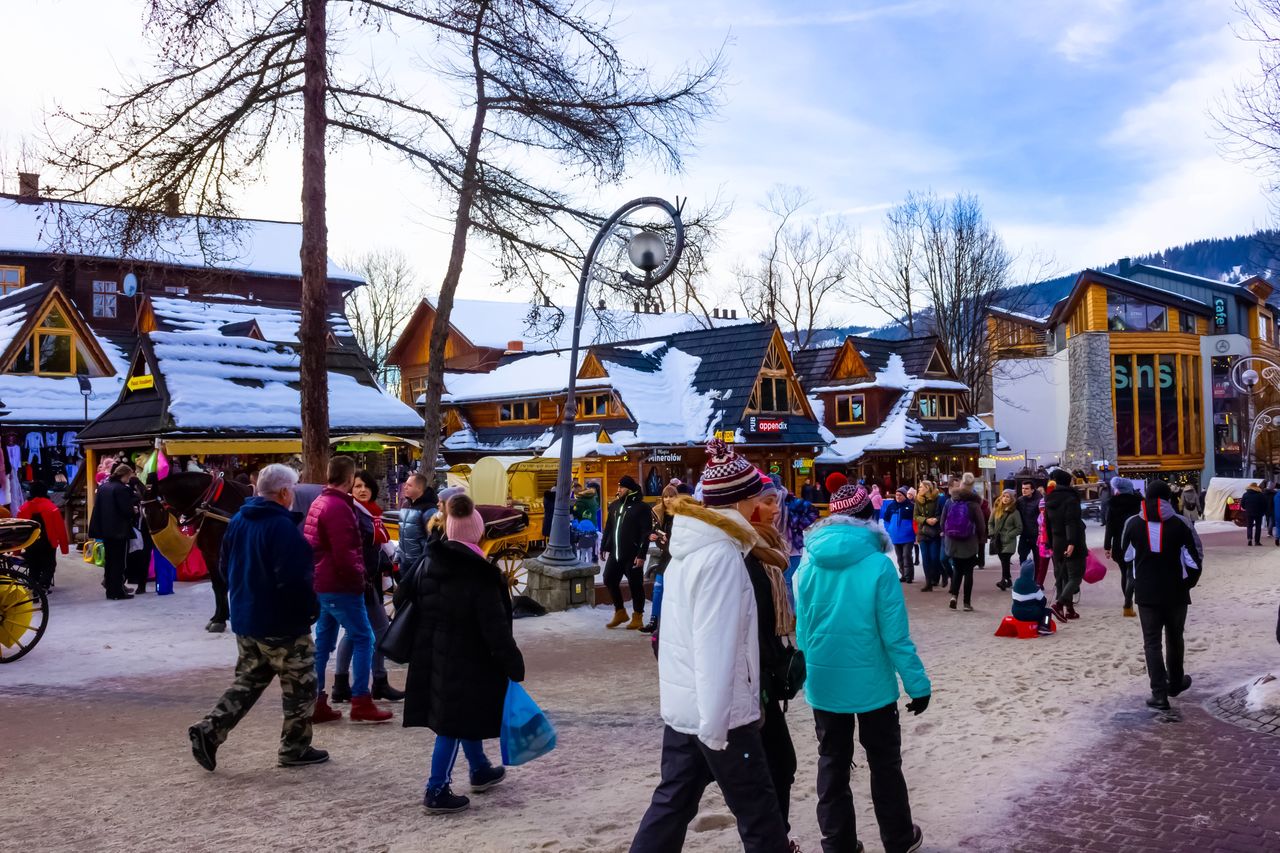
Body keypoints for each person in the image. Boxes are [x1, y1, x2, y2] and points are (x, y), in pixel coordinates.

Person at [630, 440, 790, 853]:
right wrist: (721, 730)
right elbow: (715, 648)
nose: (766, 505)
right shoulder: (720, 556)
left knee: (672, 805)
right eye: (759, 497)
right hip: (722, 716)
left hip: (689, 710)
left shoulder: (692, 547)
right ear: (739, 503)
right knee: (761, 818)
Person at [795, 483, 928, 853]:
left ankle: (837, 844)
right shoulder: (878, 566)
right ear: (869, 520)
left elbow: (802, 628)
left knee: (832, 764)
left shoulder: (807, 562)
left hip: (824, 680)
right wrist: (917, 685)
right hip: (872, 684)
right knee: (884, 762)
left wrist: (808, 671)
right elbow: (895, 637)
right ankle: (898, 838)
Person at [188, 464, 329, 771]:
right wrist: (308, 609)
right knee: (302, 685)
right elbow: (295, 578)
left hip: (246, 616)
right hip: (280, 621)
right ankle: (294, 747)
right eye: (291, 489)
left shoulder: (238, 520)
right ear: (283, 492)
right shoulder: (280, 528)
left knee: (250, 679)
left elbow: (224, 566)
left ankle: (210, 730)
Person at [398, 494, 524, 814]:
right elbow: (495, 628)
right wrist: (513, 663)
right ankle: (436, 787)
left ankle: (479, 767)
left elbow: (401, 596)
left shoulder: (429, 561)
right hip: (469, 657)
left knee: (461, 713)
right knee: (452, 723)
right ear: (477, 533)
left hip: (435, 652)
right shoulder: (480, 573)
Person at [305, 455, 393, 724]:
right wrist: (359, 580)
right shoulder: (339, 508)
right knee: (364, 637)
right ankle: (360, 699)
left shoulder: (320, 502)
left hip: (323, 581)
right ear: (349, 478)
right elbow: (346, 552)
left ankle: (316, 699)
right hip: (341, 584)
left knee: (324, 641)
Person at [745, 478, 801, 850]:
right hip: (748, 684)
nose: (776, 507)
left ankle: (775, 841)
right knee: (776, 766)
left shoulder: (764, 551)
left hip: (761, 677)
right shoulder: (742, 557)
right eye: (768, 501)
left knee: (779, 765)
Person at [1120, 481, 1203, 710]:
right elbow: (1194, 558)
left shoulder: (1133, 523)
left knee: (1151, 643)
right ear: (1169, 498)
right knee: (1175, 638)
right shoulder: (1181, 523)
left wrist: (1134, 583)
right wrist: (1188, 584)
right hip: (1176, 591)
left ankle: (1158, 693)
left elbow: (1126, 557)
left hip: (1146, 593)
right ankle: (1175, 683)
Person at [331, 470, 404, 704]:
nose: (362, 490)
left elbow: (380, 543)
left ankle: (341, 684)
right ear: (349, 490)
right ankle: (377, 682)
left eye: (366, 486)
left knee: (355, 633)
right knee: (378, 630)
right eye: (357, 486)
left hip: (367, 579)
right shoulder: (353, 513)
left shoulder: (371, 513)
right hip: (360, 582)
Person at [600, 475, 652, 630]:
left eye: (621, 487)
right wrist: (603, 546)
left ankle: (638, 616)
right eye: (618, 487)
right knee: (608, 578)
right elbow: (609, 527)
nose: (619, 490)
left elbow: (645, 532)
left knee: (635, 585)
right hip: (616, 553)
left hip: (633, 554)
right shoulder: (615, 505)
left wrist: (642, 554)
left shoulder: (642, 508)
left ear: (629, 489)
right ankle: (620, 611)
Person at [88, 463, 139, 600]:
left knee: (109, 561)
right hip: (119, 531)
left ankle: (110, 590)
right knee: (119, 562)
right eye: (129, 476)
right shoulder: (121, 489)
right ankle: (117, 591)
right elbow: (126, 510)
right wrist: (133, 510)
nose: (129, 479)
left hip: (105, 531)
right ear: (124, 475)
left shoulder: (104, 487)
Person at [1045, 469, 1087, 623]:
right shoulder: (1071, 498)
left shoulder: (1049, 498)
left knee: (1062, 576)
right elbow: (1071, 521)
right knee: (1075, 576)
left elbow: (1047, 523)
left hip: (1056, 541)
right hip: (1072, 540)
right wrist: (1071, 542)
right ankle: (1059, 604)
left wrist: (1050, 543)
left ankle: (1069, 609)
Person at [942, 479, 985, 612]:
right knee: (968, 573)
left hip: (953, 542)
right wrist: (980, 538)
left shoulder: (950, 502)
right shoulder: (974, 504)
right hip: (969, 543)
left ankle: (953, 597)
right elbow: (981, 525)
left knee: (957, 570)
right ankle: (966, 603)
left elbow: (942, 522)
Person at [640, 485, 678, 634]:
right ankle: (653, 620)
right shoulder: (660, 514)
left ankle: (672, 622)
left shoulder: (682, 515)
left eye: (671, 496)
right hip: (666, 556)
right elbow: (656, 538)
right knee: (658, 586)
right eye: (665, 496)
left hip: (679, 557)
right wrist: (654, 537)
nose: (668, 499)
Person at [18, 481, 68, 591]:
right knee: (49, 566)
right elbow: (61, 529)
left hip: (30, 543)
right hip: (48, 543)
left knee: (33, 567)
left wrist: (16, 550)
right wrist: (64, 548)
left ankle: (34, 589)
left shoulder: (23, 508)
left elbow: (18, 530)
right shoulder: (52, 508)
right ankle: (43, 586)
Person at [1103, 477, 1142, 618]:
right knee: (1134, 571)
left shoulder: (1112, 504)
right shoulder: (1138, 502)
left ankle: (1128, 603)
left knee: (1124, 572)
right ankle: (1133, 601)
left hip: (1119, 543)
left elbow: (1110, 526)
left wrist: (1107, 546)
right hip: (1137, 541)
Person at [398, 472, 439, 571]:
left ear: (419, 488)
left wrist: (425, 560)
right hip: (404, 561)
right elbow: (402, 535)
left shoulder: (429, 509)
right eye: (406, 484)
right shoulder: (405, 505)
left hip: (419, 563)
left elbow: (432, 538)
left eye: (409, 485)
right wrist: (398, 556)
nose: (405, 487)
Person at [988, 489, 1022, 592]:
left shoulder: (1015, 512)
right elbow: (990, 523)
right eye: (1004, 496)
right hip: (998, 540)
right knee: (1004, 560)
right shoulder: (996, 510)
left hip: (1009, 541)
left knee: (1005, 559)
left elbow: (1019, 528)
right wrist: (992, 533)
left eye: (1008, 497)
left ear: (1012, 499)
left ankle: (1004, 580)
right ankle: (1008, 579)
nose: (1005, 498)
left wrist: (1009, 535)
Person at [881, 486, 917, 583]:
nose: (898, 497)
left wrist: (914, 532)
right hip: (895, 537)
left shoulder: (911, 506)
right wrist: (889, 529)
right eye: (896, 495)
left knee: (907, 555)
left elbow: (915, 521)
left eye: (900, 495)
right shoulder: (891, 506)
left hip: (908, 536)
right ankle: (903, 574)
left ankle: (909, 576)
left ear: (905, 496)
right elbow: (886, 520)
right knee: (899, 557)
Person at [914, 480, 943, 592]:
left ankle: (937, 575)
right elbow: (915, 516)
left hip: (934, 532)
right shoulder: (917, 500)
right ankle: (928, 582)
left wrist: (936, 519)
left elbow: (942, 513)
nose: (919, 488)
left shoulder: (937, 499)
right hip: (923, 532)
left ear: (927, 488)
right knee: (925, 558)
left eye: (921, 487)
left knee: (934, 557)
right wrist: (925, 520)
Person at [1010, 557, 1052, 634]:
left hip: (1016, 613)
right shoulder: (1034, 586)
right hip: (1031, 614)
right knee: (1047, 611)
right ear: (1032, 573)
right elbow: (1043, 601)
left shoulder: (1016, 583)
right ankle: (1044, 626)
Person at [1014, 481, 1040, 564]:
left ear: (1032, 490)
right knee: (1022, 555)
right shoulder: (1020, 500)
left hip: (1036, 534)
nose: (1024, 490)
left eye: (1026, 488)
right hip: (1024, 534)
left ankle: (1036, 576)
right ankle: (1024, 575)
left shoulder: (1039, 501)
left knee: (1037, 557)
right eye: (1023, 488)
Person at [1241, 482, 1267, 546]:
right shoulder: (1261, 495)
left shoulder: (1245, 494)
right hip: (1259, 513)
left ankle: (1249, 539)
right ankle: (1257, 541)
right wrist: (1263, 511)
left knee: (1249, 526)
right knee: (1258, 527)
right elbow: (1264, 504)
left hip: (1249, 513)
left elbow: (1242, 504)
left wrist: (1246, 508)